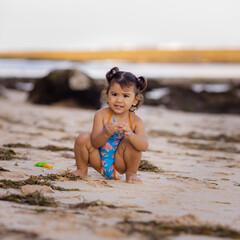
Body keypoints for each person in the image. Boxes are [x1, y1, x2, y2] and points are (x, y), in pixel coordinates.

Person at [72, 67, 149, 183]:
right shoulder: (101, 115)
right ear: (107, 96)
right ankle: (81, 170)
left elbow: (144, 146)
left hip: (120, 165)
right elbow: (95, 142)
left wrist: (130, 135)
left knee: (133, 142)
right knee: (83, 137)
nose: (119, 100)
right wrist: (106, 133)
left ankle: (131, 174)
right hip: (99, 162)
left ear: (135, 100)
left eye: (125, 96)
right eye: (114, 94)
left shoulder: (136, 121)